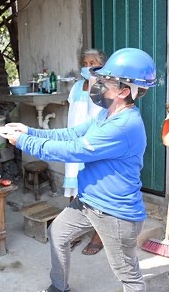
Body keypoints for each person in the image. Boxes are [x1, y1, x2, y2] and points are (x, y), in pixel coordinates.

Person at [3, 48, 156, 292]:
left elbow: (73, 149)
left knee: (128, 277)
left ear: (124, 91)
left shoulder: (124, 125)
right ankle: (59, 287)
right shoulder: (107, 115)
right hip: (89, 202)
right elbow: (71, 133)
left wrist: (23, 143)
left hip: (115, 213)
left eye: (106, 81)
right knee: (58, 233)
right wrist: (28, 131)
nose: (98, 84)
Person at [64, 49, 107, 255]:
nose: (88, 66)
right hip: (74, 142)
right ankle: (74, 232)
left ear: (101, 65)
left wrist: (94, 83)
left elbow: (99, 114)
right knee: (74, 189)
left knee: (97, 188)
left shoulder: (105, 86)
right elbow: (74, 112)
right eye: (85, 62)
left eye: (93, 63)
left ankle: (99, 235)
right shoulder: (75, 87)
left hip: (93, 144)